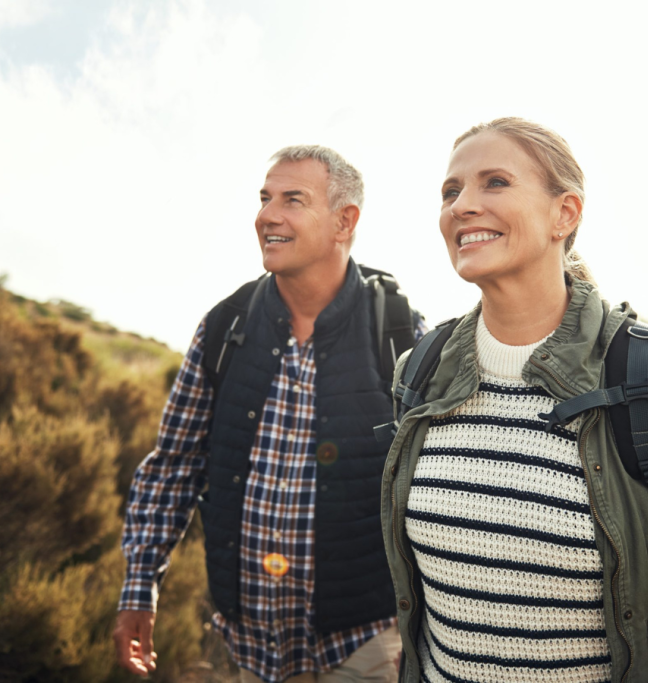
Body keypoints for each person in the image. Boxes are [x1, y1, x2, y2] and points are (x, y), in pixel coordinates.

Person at [380, 118, 648, 682]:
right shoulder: (419, 373)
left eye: (495, 182)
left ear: (564, 213)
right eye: (451, 191)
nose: (462, 205)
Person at [115, 145, 424, 682]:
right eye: (264, 198)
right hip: (250, 648)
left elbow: (430, 488)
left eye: (293, 200)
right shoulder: (224, 327)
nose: (266, 215)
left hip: (368, 644)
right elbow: (172, 467)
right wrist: (140, 587)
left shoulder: (399, 330)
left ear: (343, 221)